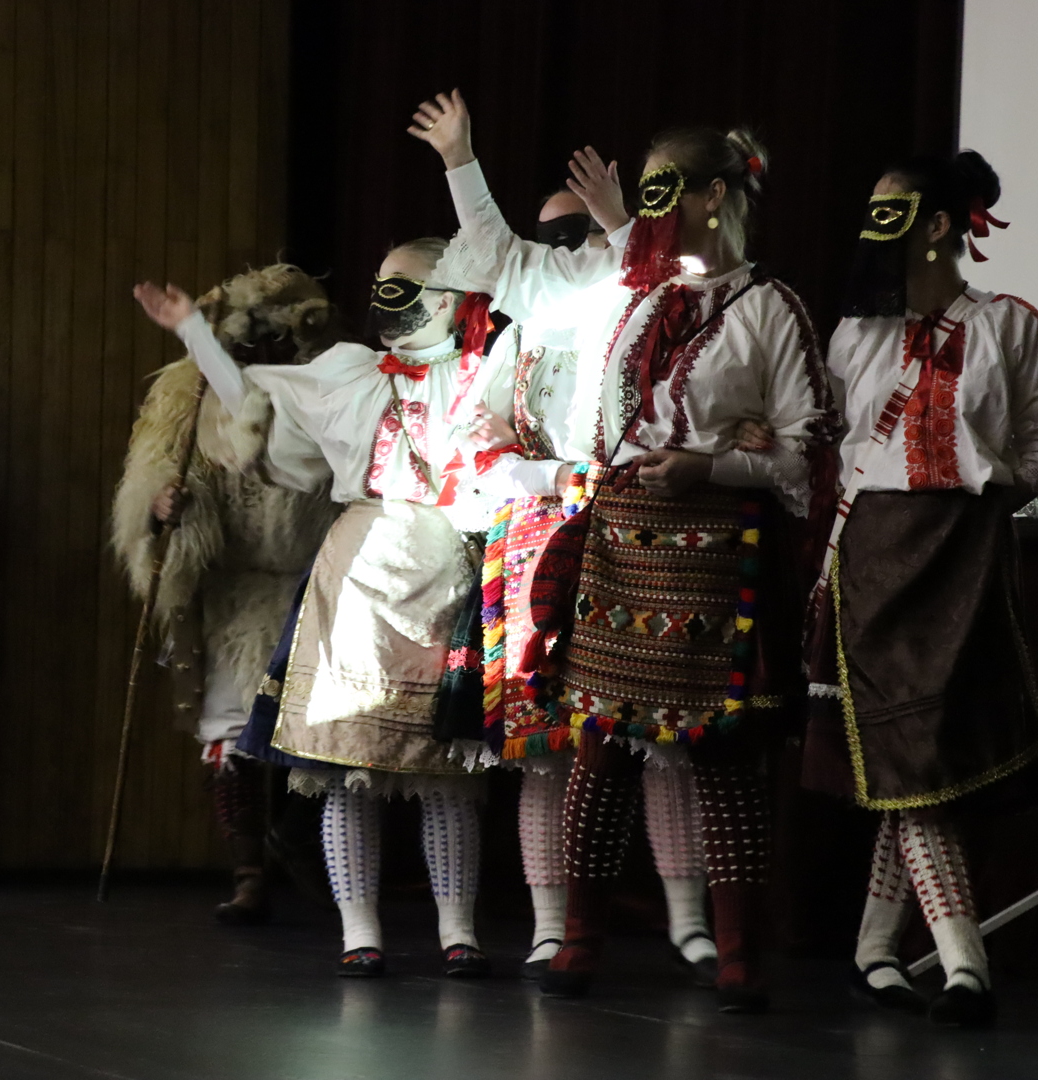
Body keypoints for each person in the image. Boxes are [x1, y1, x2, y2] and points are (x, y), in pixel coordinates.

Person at [412, 90, 839, 1011]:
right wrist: (460, 161)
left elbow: (807, 453)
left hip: (715, 553)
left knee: (720, 754)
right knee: (599, 746)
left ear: (716, 195)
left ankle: (736, 951)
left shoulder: (771, 309)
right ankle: (579, 940)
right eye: (643, 192)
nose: (647, 209)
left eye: (664, 189)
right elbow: (513, 270)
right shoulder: (626, 293)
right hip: (617, 538)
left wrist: (714, 465)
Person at [134, 241, 510, 979]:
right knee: (345, 764)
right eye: (383, 283)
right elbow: (258, 401)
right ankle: (358, 930)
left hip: (445, 566)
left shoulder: (486, 373)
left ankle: (459, 931)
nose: (389, 297)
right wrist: (194, 333)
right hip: (359, 567)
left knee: (445, 771)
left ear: (452, 296)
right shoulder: (347, 371)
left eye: (408, 284)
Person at [800, 151, 1038, 1027]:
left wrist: (1037, 468)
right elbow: (833, 448)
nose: (872, 224)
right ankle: (967, 967)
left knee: (927, 765)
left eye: (889, 209)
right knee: (913, 761)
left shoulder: (1009, 323)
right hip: (876, 557)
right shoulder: (855, 334)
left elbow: (1035, 452)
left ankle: (873, 951)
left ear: (937, 224)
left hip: (966, 553)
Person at [466, 188, 721, 984]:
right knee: (544, 747)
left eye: (581, 231)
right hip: (539, 538)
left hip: (634, 526)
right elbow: (479, 446)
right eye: (552, 235)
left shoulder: (649, 311)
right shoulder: (521, 333)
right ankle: (552, 926)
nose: (568, 248)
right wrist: (548, 475)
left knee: (661, 734)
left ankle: (690, 923)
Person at [112, 264, 343, 924]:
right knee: (231, 734)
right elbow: (159, 484)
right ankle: (247, 872)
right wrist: (166, 509)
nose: (266, 348)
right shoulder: (189, 402)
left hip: (312, 588)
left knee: (320, 733)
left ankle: (296, 843)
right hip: (235, 593)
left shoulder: (330, 393)